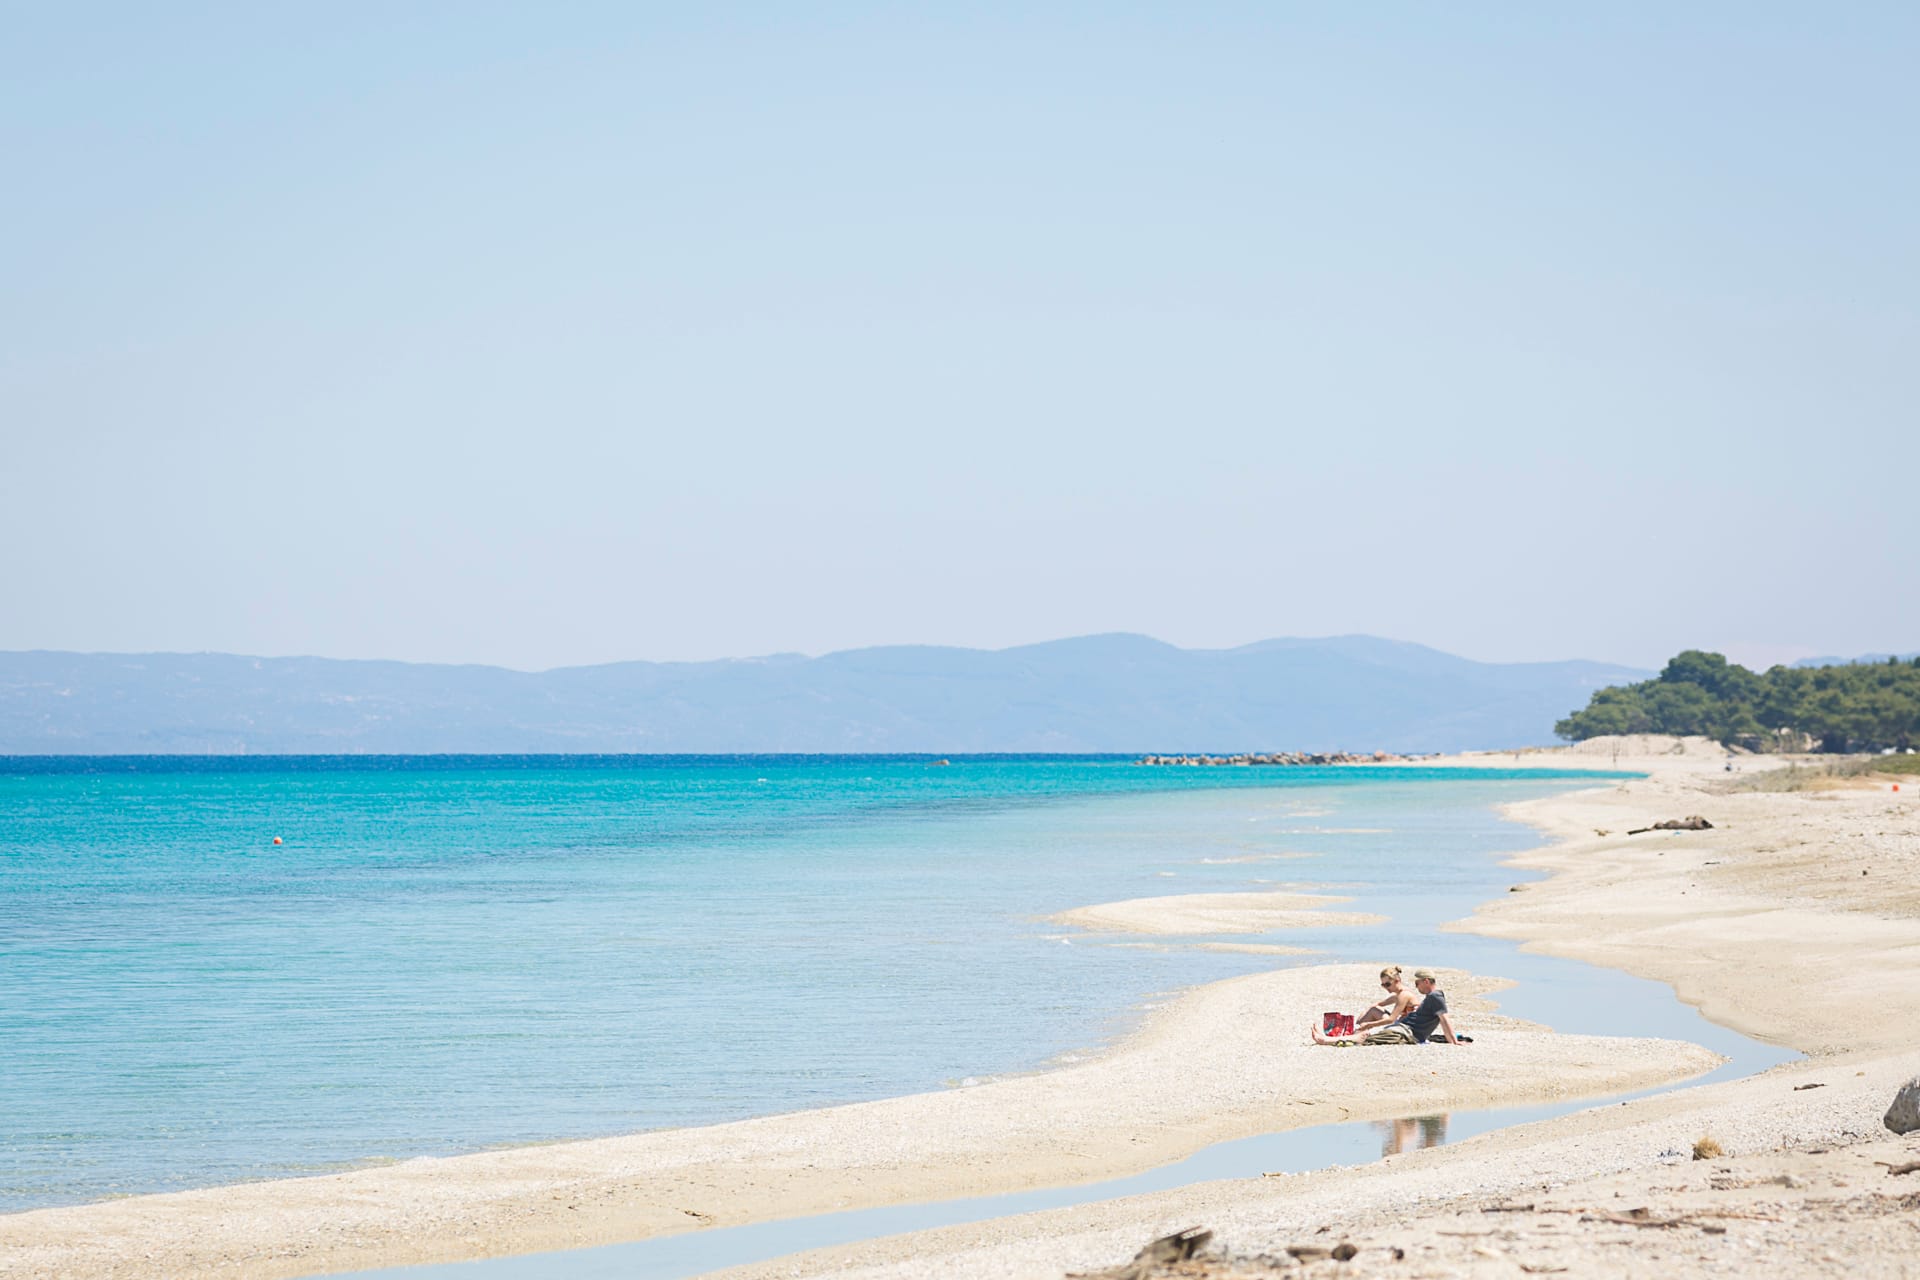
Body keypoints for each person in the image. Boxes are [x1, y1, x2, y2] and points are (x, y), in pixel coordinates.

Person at [1311, 968, 1462, 1046]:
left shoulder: (1433, 996)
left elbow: (1444, 1019)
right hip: (1403, 1028)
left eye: (1417, 983)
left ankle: (1325, 1040)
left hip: (1405, 1032)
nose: (1416, 986)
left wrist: (1453, 1041)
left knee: (1365, 1038)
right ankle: (1337, 1036)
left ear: (1426, 981)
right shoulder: (1432, 997)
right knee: (1366, 1034)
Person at [1353, 965, 1415, 1032]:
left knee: (1373, 1010)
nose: (1386, 987)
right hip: (1404, 1024)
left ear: (1397, 981)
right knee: (1373, 1009)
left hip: (1408, 1028)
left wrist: (1369, 1024)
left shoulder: (1404, 995)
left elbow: (1391, 1020)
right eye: (1383, 985)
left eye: (1387, 984)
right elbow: (1379, 1004)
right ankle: (1357, 1029)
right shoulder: (1399, 994)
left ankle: (1356, 1031)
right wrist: (1366, 1011)